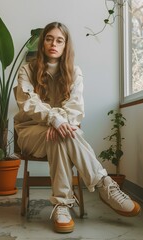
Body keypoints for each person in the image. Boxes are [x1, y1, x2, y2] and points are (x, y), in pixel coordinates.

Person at [14, 22, 141, 233]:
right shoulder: (27, 70)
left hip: (59, 132)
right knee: (58, 133)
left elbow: (75, 108)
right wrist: (55, 119)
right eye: (49, 38)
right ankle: (104, 184)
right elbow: (28, 103)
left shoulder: (74, 72)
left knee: (58, 137)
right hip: (29, 131)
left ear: (66, 46)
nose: (53, 43)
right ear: (42, 42)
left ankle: (62, 205)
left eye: (59, 40)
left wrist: (59, 123)